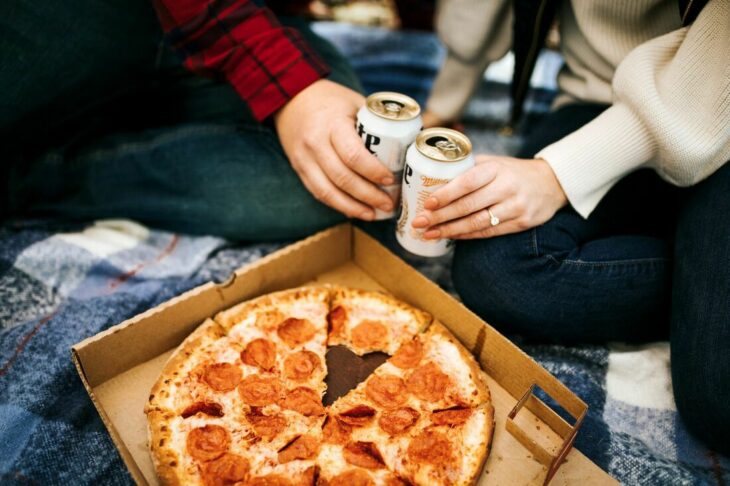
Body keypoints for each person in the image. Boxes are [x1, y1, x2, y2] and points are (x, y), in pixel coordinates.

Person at [415, 0, 730, 455]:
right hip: (596, 99)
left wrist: (555, 176)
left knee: (717, 401)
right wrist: (443, 107)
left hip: (721, 113)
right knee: (495, 266)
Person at [2, 0, 395, 240]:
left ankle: (60, 169)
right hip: (71, 21)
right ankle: (30, 178)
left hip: (233, 16)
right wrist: (288, 83)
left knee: (340, 178)